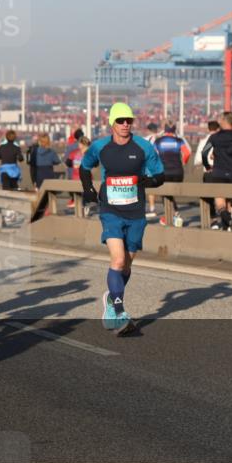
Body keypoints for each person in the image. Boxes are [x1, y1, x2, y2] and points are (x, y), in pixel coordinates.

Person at [79, 101, 164, 336]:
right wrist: (88, 189)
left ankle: (110, 299)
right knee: (117, 261)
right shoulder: (100, 147)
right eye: (121, 121)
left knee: (126, 264)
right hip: (110, 211)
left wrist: (150, 181)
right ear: (112, 123)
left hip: (136, 212)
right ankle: (118, 310)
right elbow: (84, 167)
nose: (126, 125)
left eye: (129, 121)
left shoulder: (143, 147)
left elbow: (160, 175)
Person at [152, 122, 191, 226]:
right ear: (174, 130)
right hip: (178, 171)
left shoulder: (158, 141)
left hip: (164, 171)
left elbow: (152, 155)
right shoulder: (179, 141)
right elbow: (187, 153)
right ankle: (173, 215)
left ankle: (171, 216)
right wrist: (184, 161)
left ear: (164, 130)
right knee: (170, 194)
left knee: (165, 194)